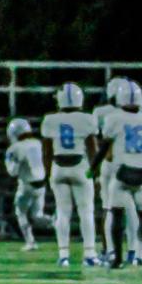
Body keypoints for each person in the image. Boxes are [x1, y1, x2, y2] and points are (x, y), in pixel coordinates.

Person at [93, 77, 142, 267]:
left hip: (121, 174)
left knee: (115, 213)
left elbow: (104, 150)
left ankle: (116, 257)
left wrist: (92, 168)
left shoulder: (112, 118)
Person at [41, 82, 102, 269]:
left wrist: (48, 173)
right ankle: (90, 253)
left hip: (58, 166)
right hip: (80, 165)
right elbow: (93, 148)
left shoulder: (50, 119)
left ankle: (63, 254)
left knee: (63, 213)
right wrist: (96, 172)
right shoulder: (87, 119)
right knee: (86, 212)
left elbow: (47, 150)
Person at [4, 117, 48, 249]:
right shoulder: (37, 143)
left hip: (27, 185)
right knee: (38, 216)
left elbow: (13, 172)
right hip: (41, 184)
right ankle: (56, 221)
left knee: (21, 212)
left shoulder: (15, 148)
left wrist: (16, 163)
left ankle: (30, 242)